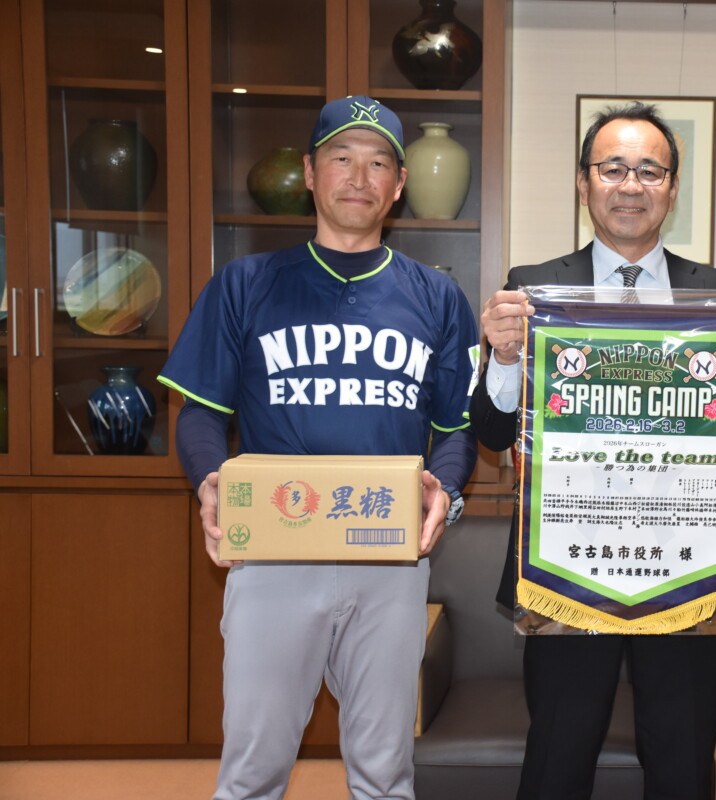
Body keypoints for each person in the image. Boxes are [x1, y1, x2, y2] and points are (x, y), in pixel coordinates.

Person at [470, 101, 716, 800]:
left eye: (650, 171)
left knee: (681, 761)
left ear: (672, 190)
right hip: (566, 566)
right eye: (612, 168)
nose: (630, 185)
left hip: (688, 568)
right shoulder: (531, 288)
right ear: (583, 182)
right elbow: (493, 435)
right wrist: (503, 356)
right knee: (558, 757)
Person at [158, 95, 478, 800]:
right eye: (341, 158)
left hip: (388, 555)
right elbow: (201, 411)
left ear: (399, 184)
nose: (359, 177)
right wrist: (209, 481)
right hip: (277, 548)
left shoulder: (436, 296)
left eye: (378, 163)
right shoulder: (246, 283)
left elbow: (456, 428)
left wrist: (446, 490)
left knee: (385, 771)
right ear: (309, 172)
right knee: (253, 769)